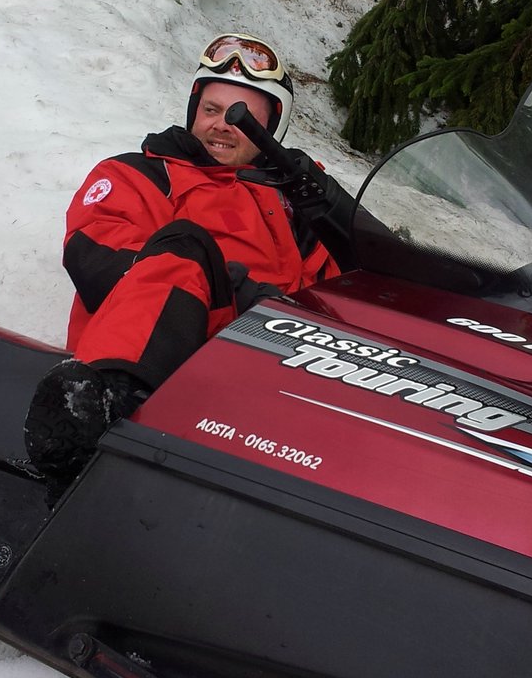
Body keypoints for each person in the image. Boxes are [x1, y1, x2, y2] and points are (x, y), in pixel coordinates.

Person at [24, 32, 353, 495]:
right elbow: (96, 257)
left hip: (278, 370)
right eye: (212, 110)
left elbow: (347, 295)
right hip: (174, 357)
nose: (221, 125)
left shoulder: (299, 205)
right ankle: (103, 408)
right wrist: (244, 297)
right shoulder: (143, 174)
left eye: (241, 118)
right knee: (186, 247)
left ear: (270, 132)